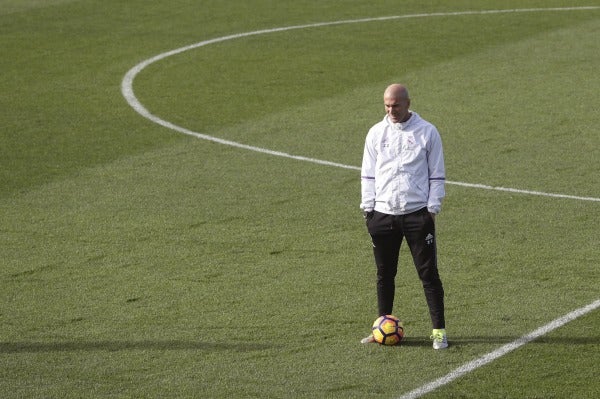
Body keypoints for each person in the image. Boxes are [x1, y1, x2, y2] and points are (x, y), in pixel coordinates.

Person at [359, 84, 448, 349]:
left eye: (395, 105)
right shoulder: (376, 133)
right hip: (383, 215)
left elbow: (437, 173)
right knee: (384, 274)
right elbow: (368, 173)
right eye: (387, 106)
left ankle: (439, 332)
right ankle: (380, 328)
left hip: (417, 215)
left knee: (428, 275)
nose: (391, 110)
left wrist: (432, 209)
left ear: (408, 103)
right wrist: (368, 210)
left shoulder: (427, 132)